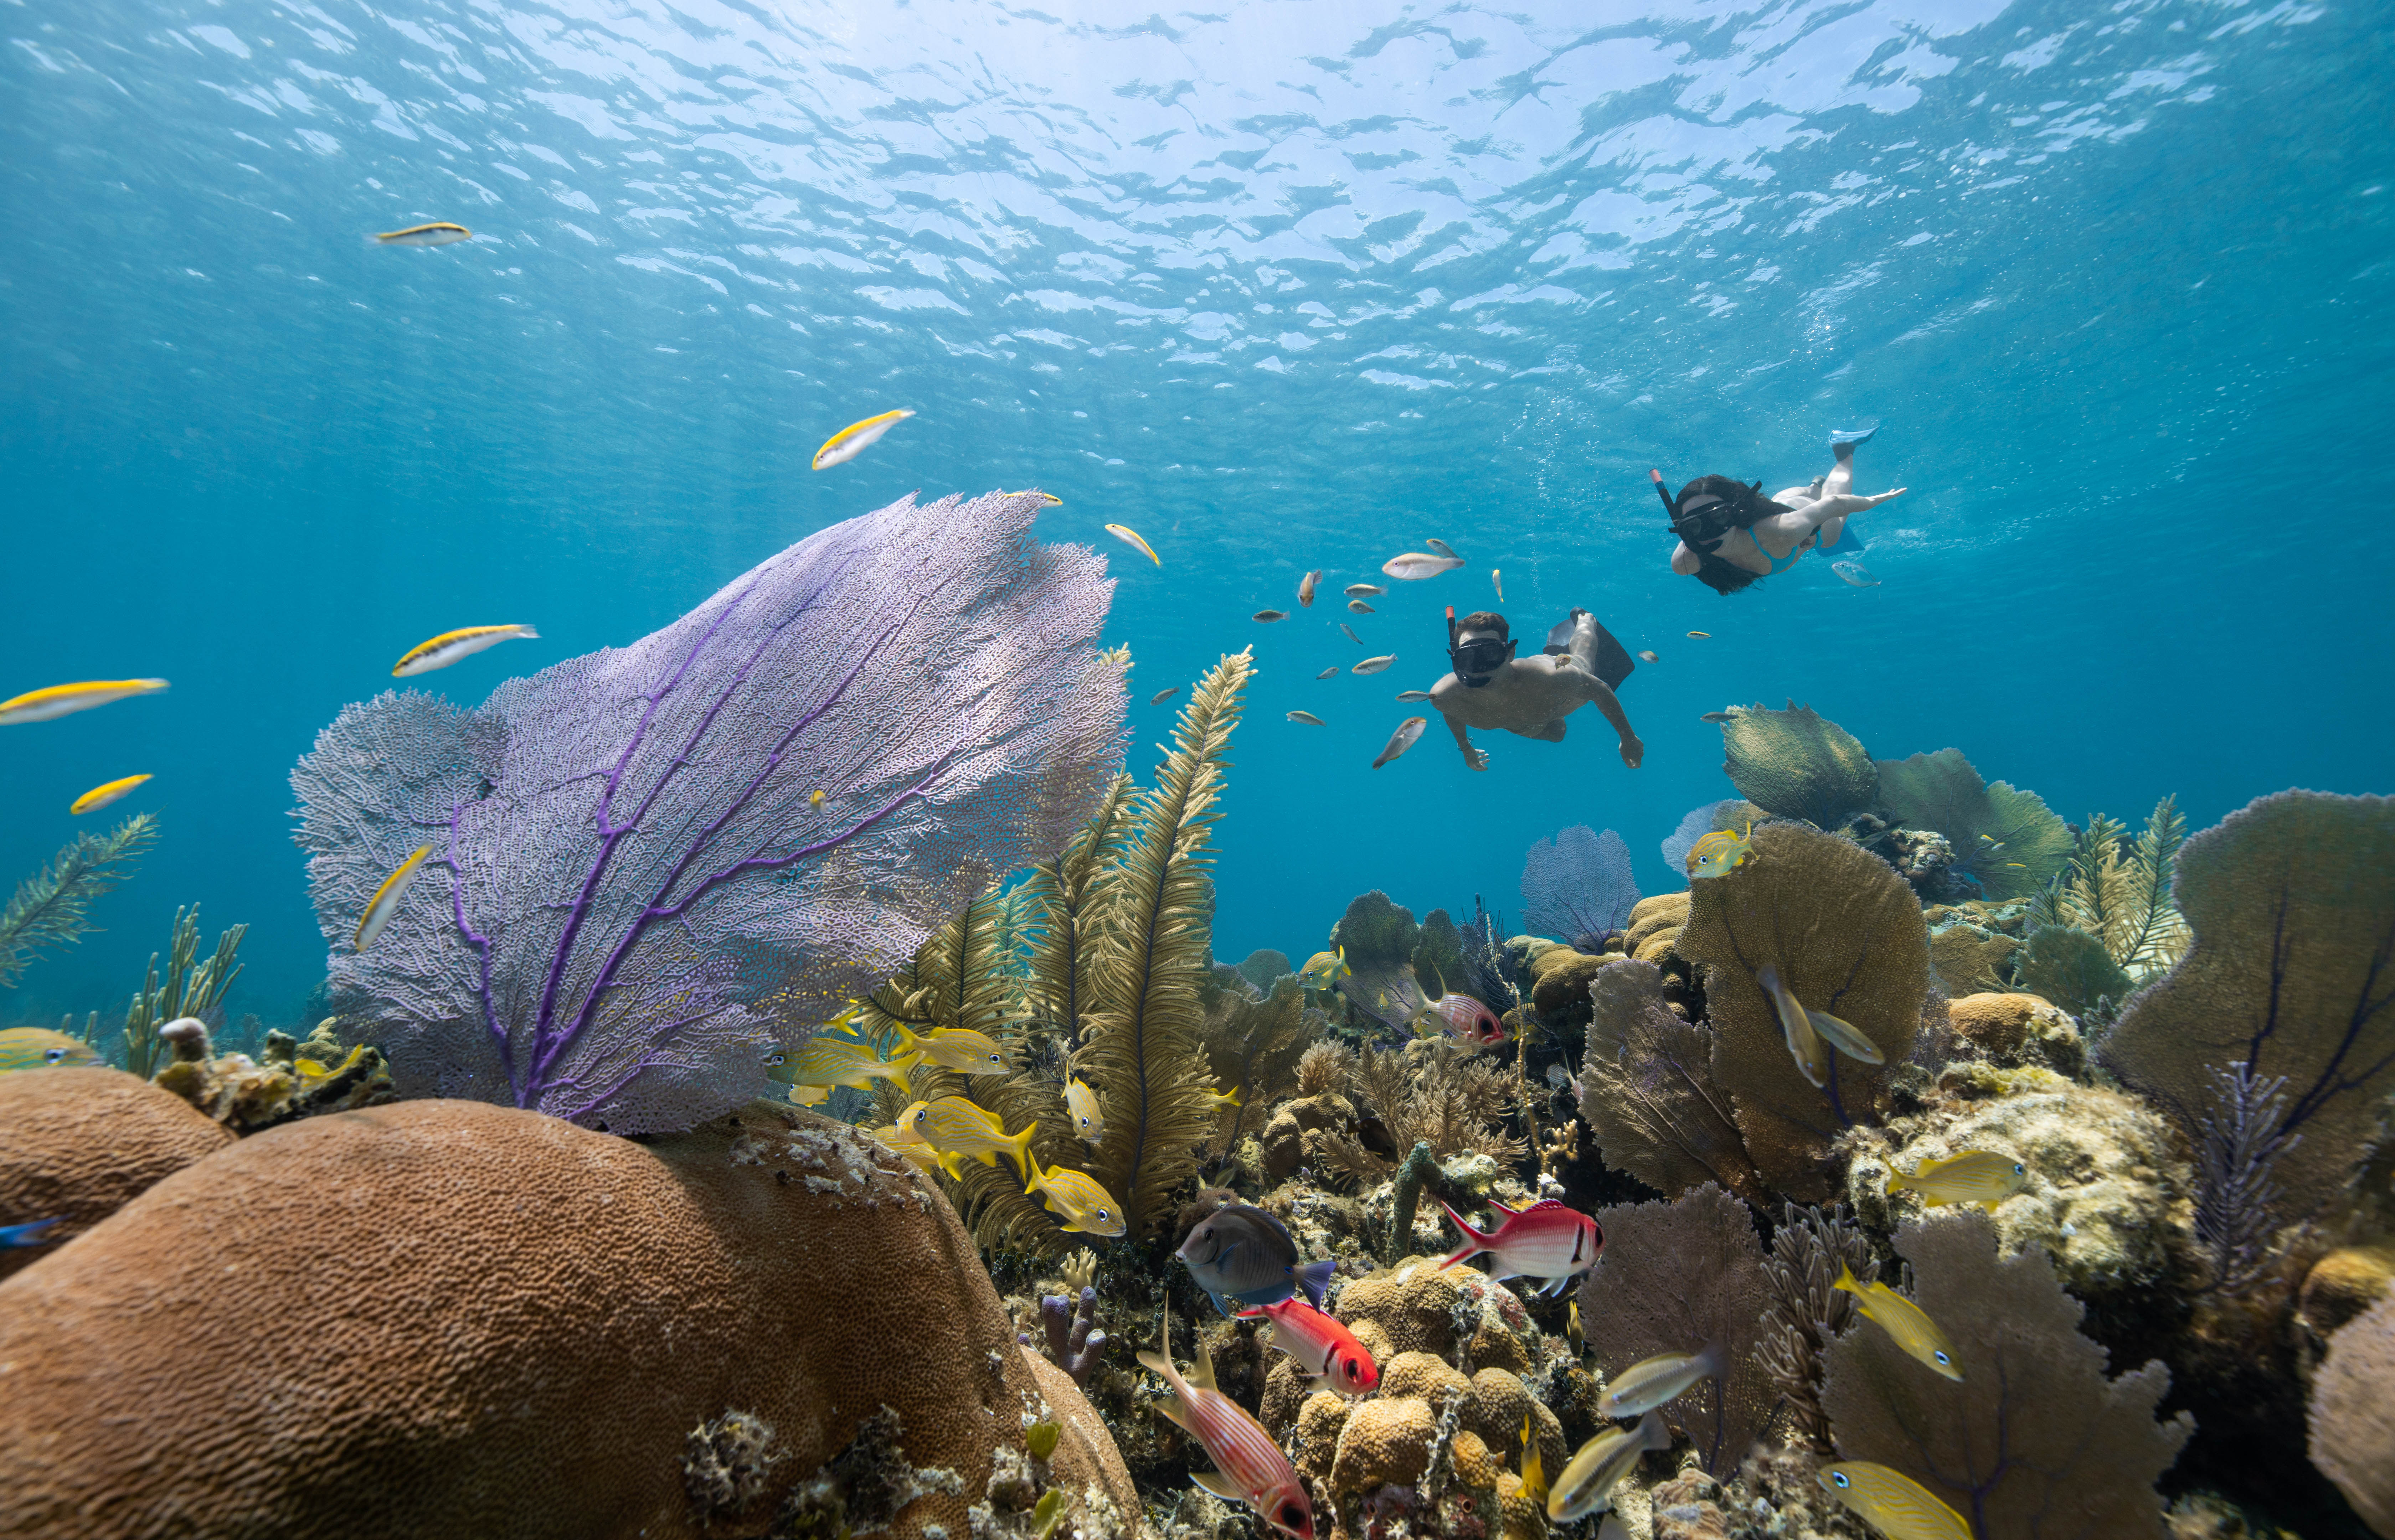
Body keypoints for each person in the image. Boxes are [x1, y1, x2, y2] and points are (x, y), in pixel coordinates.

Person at [1663, 428, 1907, 594]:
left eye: (1717, 519)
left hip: (1802, 517)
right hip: (1778, 506)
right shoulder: (1686, 561)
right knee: (1793, 497)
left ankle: (1844, 452)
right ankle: (1813, 485)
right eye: (1694, 526)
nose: (1707, 534)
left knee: (1831, 526)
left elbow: (1835, 504)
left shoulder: (1782, 532)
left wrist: (1875, 500)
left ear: (1736, 513)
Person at [1428, 608, 1643, 773]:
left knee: (1585, 660)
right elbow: (1451, 710)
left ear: (1510, 654)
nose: (1480, 668)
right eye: (1468, 658)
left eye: (1491, 655)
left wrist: (1628, 738)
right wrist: (1466, 749)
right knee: (1558, 734)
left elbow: (1600, 689)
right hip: (1531, 721)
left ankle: (1586, 619)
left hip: (1554, 691)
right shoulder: (1445, 696)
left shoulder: (1555, 677)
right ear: (1457, 661)